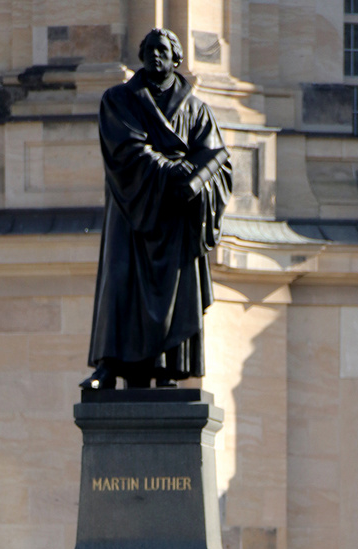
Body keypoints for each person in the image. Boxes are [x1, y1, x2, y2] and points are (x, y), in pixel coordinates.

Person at [81, 28, 232, 390]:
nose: (155, 56)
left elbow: (218, 161)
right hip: (131, 204)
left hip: (176, 215)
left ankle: (168, 368)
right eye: (149, 50)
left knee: (175, 292)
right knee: (119, 282)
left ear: (176, 58)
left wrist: (195, 183)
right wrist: (171, 170)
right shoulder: (119, 100)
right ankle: (108, 365)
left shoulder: (196, 110)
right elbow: (125, 150)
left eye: (163, 50)